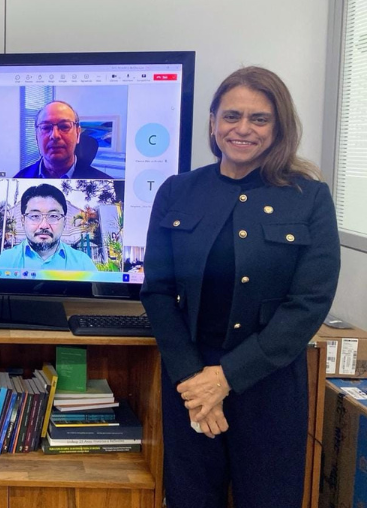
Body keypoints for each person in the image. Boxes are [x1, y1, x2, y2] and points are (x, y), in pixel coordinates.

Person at [140, 66, 340, 508]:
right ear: (213, 122)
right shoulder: (177, 191)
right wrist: (196, 381)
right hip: (188, 381)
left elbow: (309, 304)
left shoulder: (309, 198)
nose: (242, 129)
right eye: (231, 116)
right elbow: (157, 291)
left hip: (267, 383)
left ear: (279, 126)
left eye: (259, 119)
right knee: (190, 499)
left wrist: (226, 378)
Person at [0, 183, 97, 271]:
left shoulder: (83, 264)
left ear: (64, 221)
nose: (44, 225)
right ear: (23, 221)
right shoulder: (5, 262)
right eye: (35, 216)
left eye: (53, 216)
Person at [14, 100, 109, 179]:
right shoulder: (18, 179)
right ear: (36, 136)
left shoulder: (106, 184)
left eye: (64, 126)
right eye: (46, 127)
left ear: (78, 133)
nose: (55, 135)